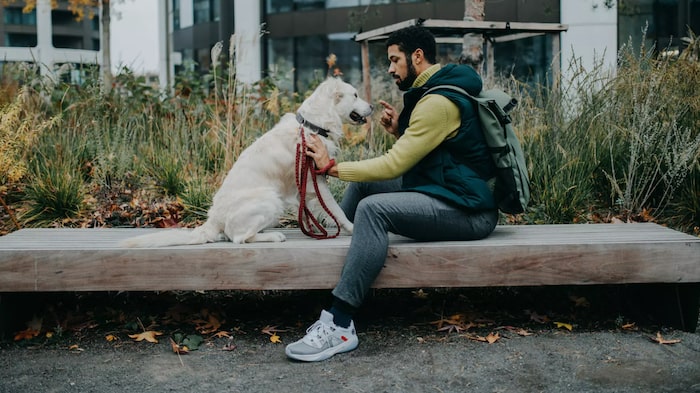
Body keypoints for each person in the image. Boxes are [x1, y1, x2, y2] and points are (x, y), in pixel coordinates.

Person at [285, 25, 498, 362]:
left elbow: (394, 165)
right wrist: (401, 130)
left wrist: (331, 167)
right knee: (364, 186)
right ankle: (342, 269)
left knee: (373, 209)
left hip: (467, 211)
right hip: (445, 190)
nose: (390, 67)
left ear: (417, 56)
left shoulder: (438, 102)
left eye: (395, 59)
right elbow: (440, 155)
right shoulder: (438, 88)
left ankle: (340, 324)